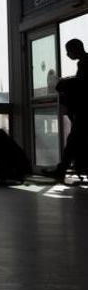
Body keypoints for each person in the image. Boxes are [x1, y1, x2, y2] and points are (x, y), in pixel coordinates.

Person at [43, 39, 88, 183]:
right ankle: (64, 169)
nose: (67, 54)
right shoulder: (84, 62)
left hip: (84, 112)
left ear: (75, 50)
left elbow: (82, 84)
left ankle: (61, 170)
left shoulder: (84, 63)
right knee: (74, 141)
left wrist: (64, 83)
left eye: (68, 51)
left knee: (73, 141)